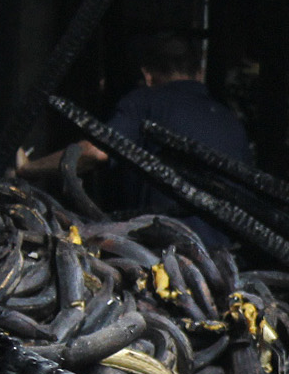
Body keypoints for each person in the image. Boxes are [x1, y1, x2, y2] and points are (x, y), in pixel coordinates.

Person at [20, 31, 254, 246]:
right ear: (200, 73)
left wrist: (28, 168)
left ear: (148, 75)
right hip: (221, 260)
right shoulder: (230, 121)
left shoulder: (144, 103)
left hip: (163, 255)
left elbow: (95, 152)